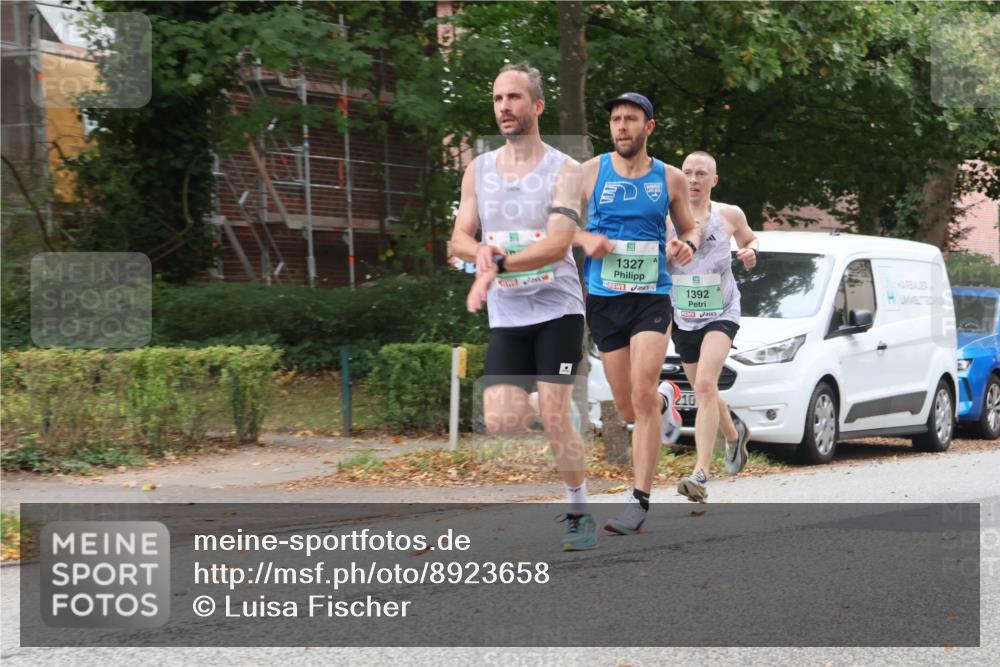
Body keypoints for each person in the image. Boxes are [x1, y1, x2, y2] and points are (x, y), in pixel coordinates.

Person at [455, 63, 594, 550]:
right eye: (497, 99)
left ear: (536, 106)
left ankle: (578, 508)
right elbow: (457, 238)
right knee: (499, 420)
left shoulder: (566, 170)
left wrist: (497, 263)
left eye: (514, 98)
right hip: (509, 314)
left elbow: (558, 245)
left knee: (554, 415)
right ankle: (553, 403)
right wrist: (479, 254)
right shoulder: (479, 169)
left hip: (557, 308)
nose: (504, 107)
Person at [574, 92, 701, 535]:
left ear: (648, 127)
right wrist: (583, 237)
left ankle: (640, 502)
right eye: (615, 120)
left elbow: (690, 225)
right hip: (604, 299)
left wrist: (687, 242)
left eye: (630, 119)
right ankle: (667, 400)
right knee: (630, 404)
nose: (621, 126)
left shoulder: (670, 178)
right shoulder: (590, 173)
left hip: (652, 296)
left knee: (642, 390)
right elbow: (560, 222)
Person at [669, 151, 759, 503]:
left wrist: (750, 252)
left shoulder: (729, 215)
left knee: (705, 384)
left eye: (701, 174)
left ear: (713, 180)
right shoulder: (666, 218)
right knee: (705, 390)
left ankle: (701, 474)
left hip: (722, 311)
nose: (693, 179)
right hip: (684, 315)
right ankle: (735, 434)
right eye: (687, 173)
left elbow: (749, 239)